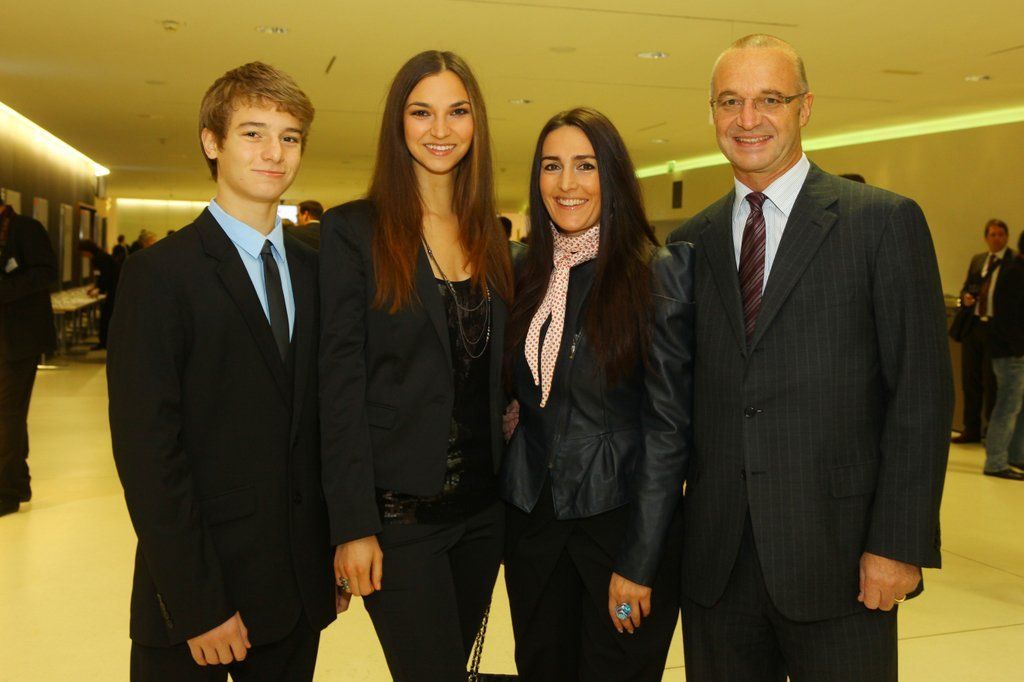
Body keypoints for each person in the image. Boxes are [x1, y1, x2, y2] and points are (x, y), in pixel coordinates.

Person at [670, 34, 953, 681]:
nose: (748, 118)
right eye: (730, 101)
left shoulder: (880, 223)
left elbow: (920, 394)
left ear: (805, 107)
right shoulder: (690, 243)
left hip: (843, 561)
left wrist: (897, 544)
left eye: (769, 99)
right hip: (715, 567)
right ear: (712, 113)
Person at [107, 62, 336, 681]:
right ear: (212, 142)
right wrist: (198, 604)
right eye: (253, 133)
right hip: (196, 598)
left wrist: (326, 559)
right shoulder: (161, 275)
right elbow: (149, 455)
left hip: (295, 594)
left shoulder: (318, 271)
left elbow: (323, 425)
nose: (274, 153)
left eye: (289, 137)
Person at [320, 50, 513, 681]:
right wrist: (351, 527)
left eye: (457, 112)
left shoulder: (490, 234)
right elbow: (339, 388)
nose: (440, 129)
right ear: (397, 123)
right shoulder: (355, 231)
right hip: (400, 519)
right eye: (421, 112)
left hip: (483, 514)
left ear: (476, 123)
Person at [501, 107, 694, 681]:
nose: (567, 183)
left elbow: (668, 430)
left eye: (585, 166)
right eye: (551, 166)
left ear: (612, 176)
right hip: (534, 527)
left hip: (620, 530)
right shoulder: (526, 273)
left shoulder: (655, 274)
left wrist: (639, 563)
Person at [0, 199, 57, 517]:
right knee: (10, 415)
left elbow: (46, 271)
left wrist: (4, 290)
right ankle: (18, 483)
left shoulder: (25, 228)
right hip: (7, 338)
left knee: (7, 415)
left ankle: (6, 492)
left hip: (20, 339)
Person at [952, 218, 1013, 443]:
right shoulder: (979, 260)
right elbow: (967, 287)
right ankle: (971, 428)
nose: (996, 238)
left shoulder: (1013, 262)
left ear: (1006, 237)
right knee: (970, 380)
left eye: (1000, 234)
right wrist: (966, 298)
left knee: (992, 382)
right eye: (992, 234)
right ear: (986, 238)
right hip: (974, 326)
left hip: (997, 329)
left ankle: (991, 431)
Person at [983, 229, 1024, 480]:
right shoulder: (1015, 273)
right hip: (1010, 353)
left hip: (1013, 350)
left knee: (1017, 406)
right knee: (1007, 406)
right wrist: (1019, 349)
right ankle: (996, 461)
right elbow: (1008, 317)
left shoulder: (1015, 270)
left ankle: (1016, 455)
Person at [77, 239, 118, 350]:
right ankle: (105, 342)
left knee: (106, 317)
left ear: (86, 251)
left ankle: (104, 342)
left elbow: (105, 275)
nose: (83, 256)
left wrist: (99, 289)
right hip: (113, 289)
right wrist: (96, 287)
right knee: (106, 316)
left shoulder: (99, 258)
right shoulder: (100, 256)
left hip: (113, 290)